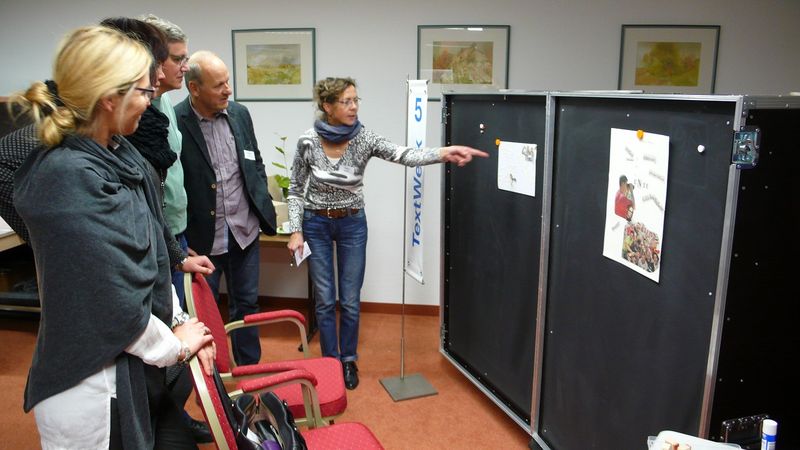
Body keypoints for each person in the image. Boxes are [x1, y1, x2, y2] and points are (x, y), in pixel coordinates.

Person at [12, 25, 214, 449]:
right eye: (143, 90)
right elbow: (114, 302)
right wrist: (176, 347)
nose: (150, 98)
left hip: (139, 368)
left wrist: (181, 323)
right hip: (93, 385)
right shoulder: (67, 177)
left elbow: (152, 258)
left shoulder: (120, 154)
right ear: (109, 97)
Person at [285, 77, 488, 389]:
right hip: (316, 224)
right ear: (327, 106)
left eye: (356, 100)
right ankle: (330, 362)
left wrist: (444, 152)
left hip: (352, 224)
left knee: (349, 299)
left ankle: (348, 359)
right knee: (324, 299)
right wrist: (296, 230)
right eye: (346, 101)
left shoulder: (364, 138)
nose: (354, 107)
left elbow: (404, 154)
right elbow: (296, 189)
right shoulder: (308, 142)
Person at [101, 16, 215, 444]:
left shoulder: (138, 129)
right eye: (175, 59)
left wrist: (175, 254)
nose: (182, 67)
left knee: (167, 386)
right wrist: (176, 344)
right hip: (112, 357)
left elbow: (151, 203)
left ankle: (171, 414)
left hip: (166, 243)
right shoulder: (82, 165)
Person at [175, 51, 277, 366]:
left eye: (228, 82)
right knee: (203, 313)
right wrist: (179, 240)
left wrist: (261, 203)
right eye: (219, 85)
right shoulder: (175, 121)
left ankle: (249, 371)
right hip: (202, 241)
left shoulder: (240, 114)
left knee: (247, 305)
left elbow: (255, 162)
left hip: (244, 231)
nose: (228, 90)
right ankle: (215, 379)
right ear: (194, 88)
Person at [140, 14, 195, 306]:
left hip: (174, 230)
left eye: (185, 59)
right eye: (177, 59)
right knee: (169, 317)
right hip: (154, 238)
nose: (185, 67)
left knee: (180, 313)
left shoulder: (165, 102)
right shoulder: (138, 114)